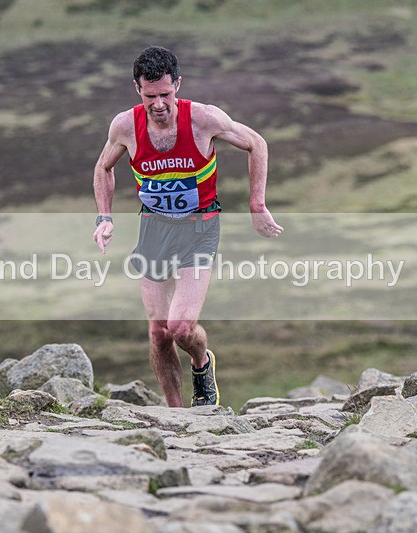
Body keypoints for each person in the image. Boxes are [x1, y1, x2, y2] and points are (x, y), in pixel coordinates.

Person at [92, 45, 283, 408]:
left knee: (181, 328)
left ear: (177, 84)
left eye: (166, 94)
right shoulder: (124, 126)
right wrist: (105, 216)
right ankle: (178, 418)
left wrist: (257, 204)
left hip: (199, 227)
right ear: (138, 89)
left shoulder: (204, 119)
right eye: (150, 96)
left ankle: (201, 362)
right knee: (159, 332)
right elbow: (103, 168)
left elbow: (256, 143)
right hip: (153, 229)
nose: (159, 105)